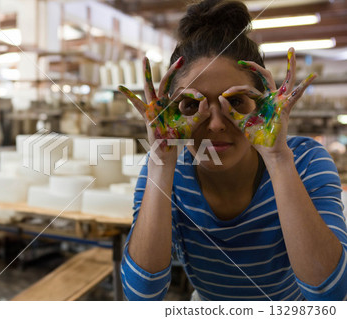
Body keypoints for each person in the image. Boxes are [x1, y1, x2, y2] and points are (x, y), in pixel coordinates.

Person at [118, 0, 347, 301]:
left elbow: (330, 296)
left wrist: (278, 159)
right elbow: (142, 296)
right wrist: (161, 163)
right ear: (171, 112)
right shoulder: (166, 167)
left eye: (236, 102)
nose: (215, 124)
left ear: (264, 106)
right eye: (191, 105)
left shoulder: (305, 160)